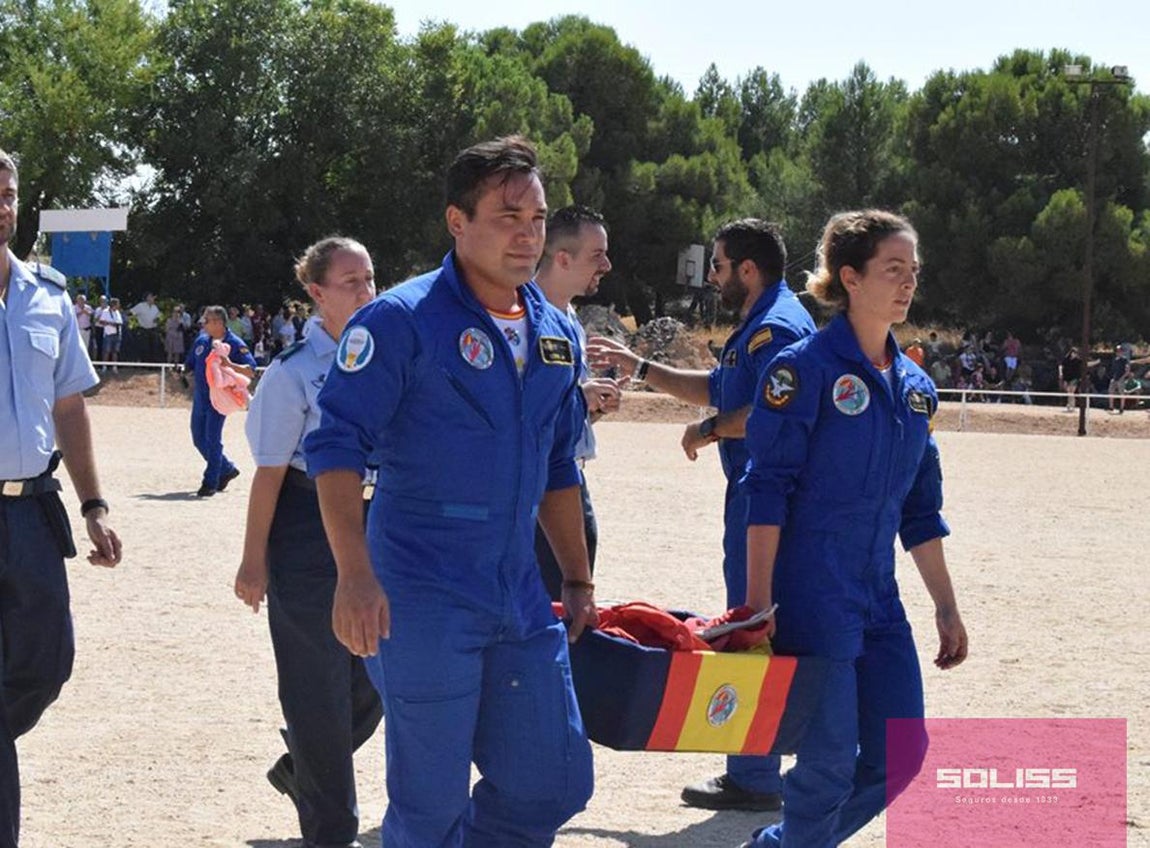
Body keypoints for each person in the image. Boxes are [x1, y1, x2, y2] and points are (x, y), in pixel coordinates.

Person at [304, 136, 595, 847]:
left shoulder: (558, 334)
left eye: (537, 218)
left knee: (553, 782)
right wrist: (354, 577)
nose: (527, 234)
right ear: (457, 223)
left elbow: (561, 464)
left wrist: (579, 577)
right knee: (429, 809)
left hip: (518, 592)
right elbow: (334, 446)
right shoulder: (401, 321)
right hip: (419, 593)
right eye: (507, 216)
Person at [737, 209, 968, 848]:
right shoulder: (800, 369)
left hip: (879, 601)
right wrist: (758, 603)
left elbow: (920, 513)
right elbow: (766, 489)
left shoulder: (918, 389)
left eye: (913, 271)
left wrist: (946, 608)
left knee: (902, 754)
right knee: (829, 760)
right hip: (812, 594)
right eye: (893, 269)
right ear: (850, 277)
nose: (907, 283)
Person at [588, 218, 816, 813]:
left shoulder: (778, 328)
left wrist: (711, 430)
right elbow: (720, 386)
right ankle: (759, 770)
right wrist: (640, 367)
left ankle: (756, 775)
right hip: (752, 491)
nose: (711, 277)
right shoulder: (762, 323)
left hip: (765, 495)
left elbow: (769, 410)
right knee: (758, 620)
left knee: (752, 622)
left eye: (716, 266)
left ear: (747, 268)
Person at [235, 237, 382, 848]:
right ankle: (331, 832)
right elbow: (270, 472)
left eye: (371, 278)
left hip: (379, 522)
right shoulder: (294, 371)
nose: (367, 291)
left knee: (377, 679)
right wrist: (254, 561)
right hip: (306, 524)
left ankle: (307, 766)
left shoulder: (388, 357)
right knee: (316, 684)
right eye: (351, 282)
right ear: (317, 293)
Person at [0, 148, 122, 848]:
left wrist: (93, 503)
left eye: (10, 193)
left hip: (32, 511)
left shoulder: (48, 294)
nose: (3, 205)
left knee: (47, 664)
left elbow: (70, 406)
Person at [532, 205, 620, 600]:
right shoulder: (523, 320)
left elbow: (564, 418)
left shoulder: (569, 319)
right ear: (562, 258)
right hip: (539, 490)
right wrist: (577, 398)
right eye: (596, 255)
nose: (607, 264)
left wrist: (590, 408)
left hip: (572, 476)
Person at [184, 305, 256, 497]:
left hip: (220, 398)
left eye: (206, 320)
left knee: (212, 439)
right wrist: (185, 373)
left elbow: (251, 370)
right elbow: (190, 363)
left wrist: (230, 365)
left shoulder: (234, 343)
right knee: (198, 438)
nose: (203, 324)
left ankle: (210, 482)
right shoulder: (201, 341)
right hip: (201, 396)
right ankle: (226, 469)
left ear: (218, 322)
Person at [130, 292, 162, 361]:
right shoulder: (140, 306)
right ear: (147, 298)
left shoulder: (155, 307)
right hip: (144, 330)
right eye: (151, 297)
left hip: (153, 329)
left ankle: (153, 364)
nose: (153, 298)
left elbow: (158, 316)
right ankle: (145, 363)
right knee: (145, 347)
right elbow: (131, 312)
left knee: (154, 347)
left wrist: (157, 319)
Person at [95, 296, 124, 373]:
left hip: (117, 334)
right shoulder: (105, 312)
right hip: (108, 334)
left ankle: (114, 367)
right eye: (118, 304)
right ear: (114, 304)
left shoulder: (117, 312)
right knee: (106, 351)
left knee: (115, 351)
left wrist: (115, 324)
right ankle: (104, 367)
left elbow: (120, 322)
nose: (119, 305)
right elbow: (101, 321)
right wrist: (110, 323)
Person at [1059, 345, 1083, 412]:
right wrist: (1060, 373)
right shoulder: (1066, 359)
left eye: (1075, 353)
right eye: (1073, 353)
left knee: (1071, 391)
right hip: (1067, 377)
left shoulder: (1078, 360)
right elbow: (1061, 365)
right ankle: (1070, 404)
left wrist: (1096, 362)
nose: (1074, 354)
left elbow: (1085, 364)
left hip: (1075, 378)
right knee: (1068, 392)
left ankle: (1071, 405)